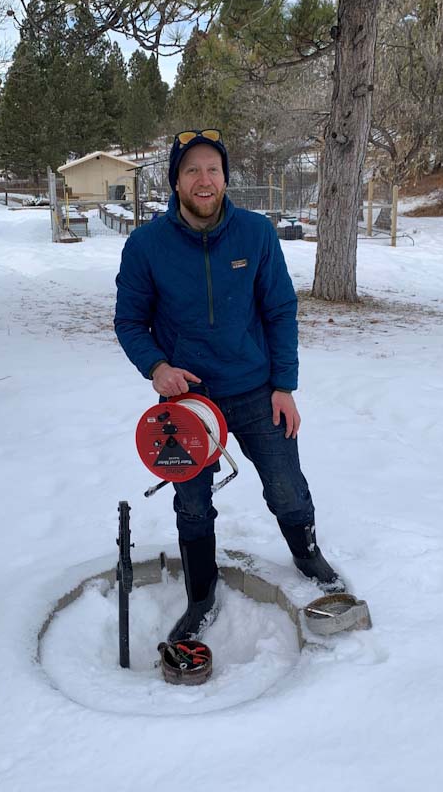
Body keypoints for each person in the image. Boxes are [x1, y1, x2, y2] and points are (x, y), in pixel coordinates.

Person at [114, 128, 344, 642]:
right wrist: (157, 368)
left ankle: (308, 556)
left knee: (287, 487)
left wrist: (284, 384)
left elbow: (280, 310)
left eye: (213, 169)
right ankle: (201, 592)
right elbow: (129, 321)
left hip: (258, 391)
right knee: (192, 503)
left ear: (225, 177)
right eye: (192, 169)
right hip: (186, 402)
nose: (204, 179)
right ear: (175, 180)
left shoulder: (255, 234)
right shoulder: (146, 245)